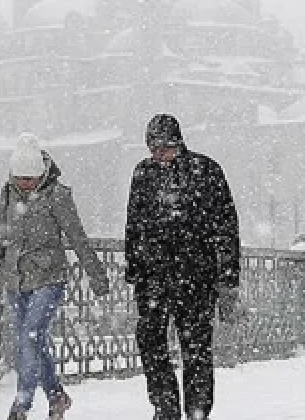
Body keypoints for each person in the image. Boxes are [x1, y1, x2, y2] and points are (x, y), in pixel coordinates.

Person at [0, 132, 111, 420]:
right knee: (34, 342)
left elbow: (77, 237)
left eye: (30, 179)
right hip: (15, 280)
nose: (25, 184)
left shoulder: (58, 195)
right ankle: (56, 396)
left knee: (29, 337)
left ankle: (21, 403)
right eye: (19, 178)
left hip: (49, 278)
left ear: (41, 174)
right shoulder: (8, 193)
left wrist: (97, 276)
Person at [125, 114, 241, 420]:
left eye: (165, 147)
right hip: (153, 276)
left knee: (196, 347)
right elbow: (134, 224)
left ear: (178, 143)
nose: (160, 154)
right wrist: (135, 268)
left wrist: (228, 274)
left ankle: (197, 409)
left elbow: (226, 227)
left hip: (196, 275)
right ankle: (165, 406)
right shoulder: (143, 173)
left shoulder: (206, 171)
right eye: (154, 148)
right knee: (150, 341)